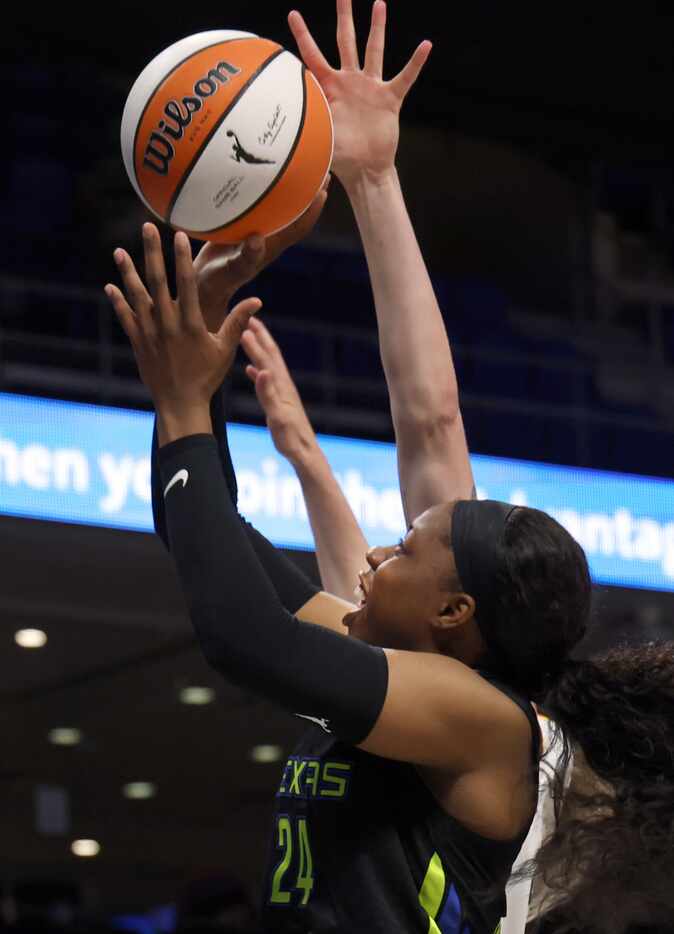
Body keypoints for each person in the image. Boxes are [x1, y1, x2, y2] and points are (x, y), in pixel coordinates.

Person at [105, 219, 590, 934]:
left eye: (401, 550)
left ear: (455, 611)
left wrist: (182, 405)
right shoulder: (397, 669)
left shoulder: (484, 721)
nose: (373, 557)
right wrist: (201, 343)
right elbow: (204, 538)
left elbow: (247, 639)